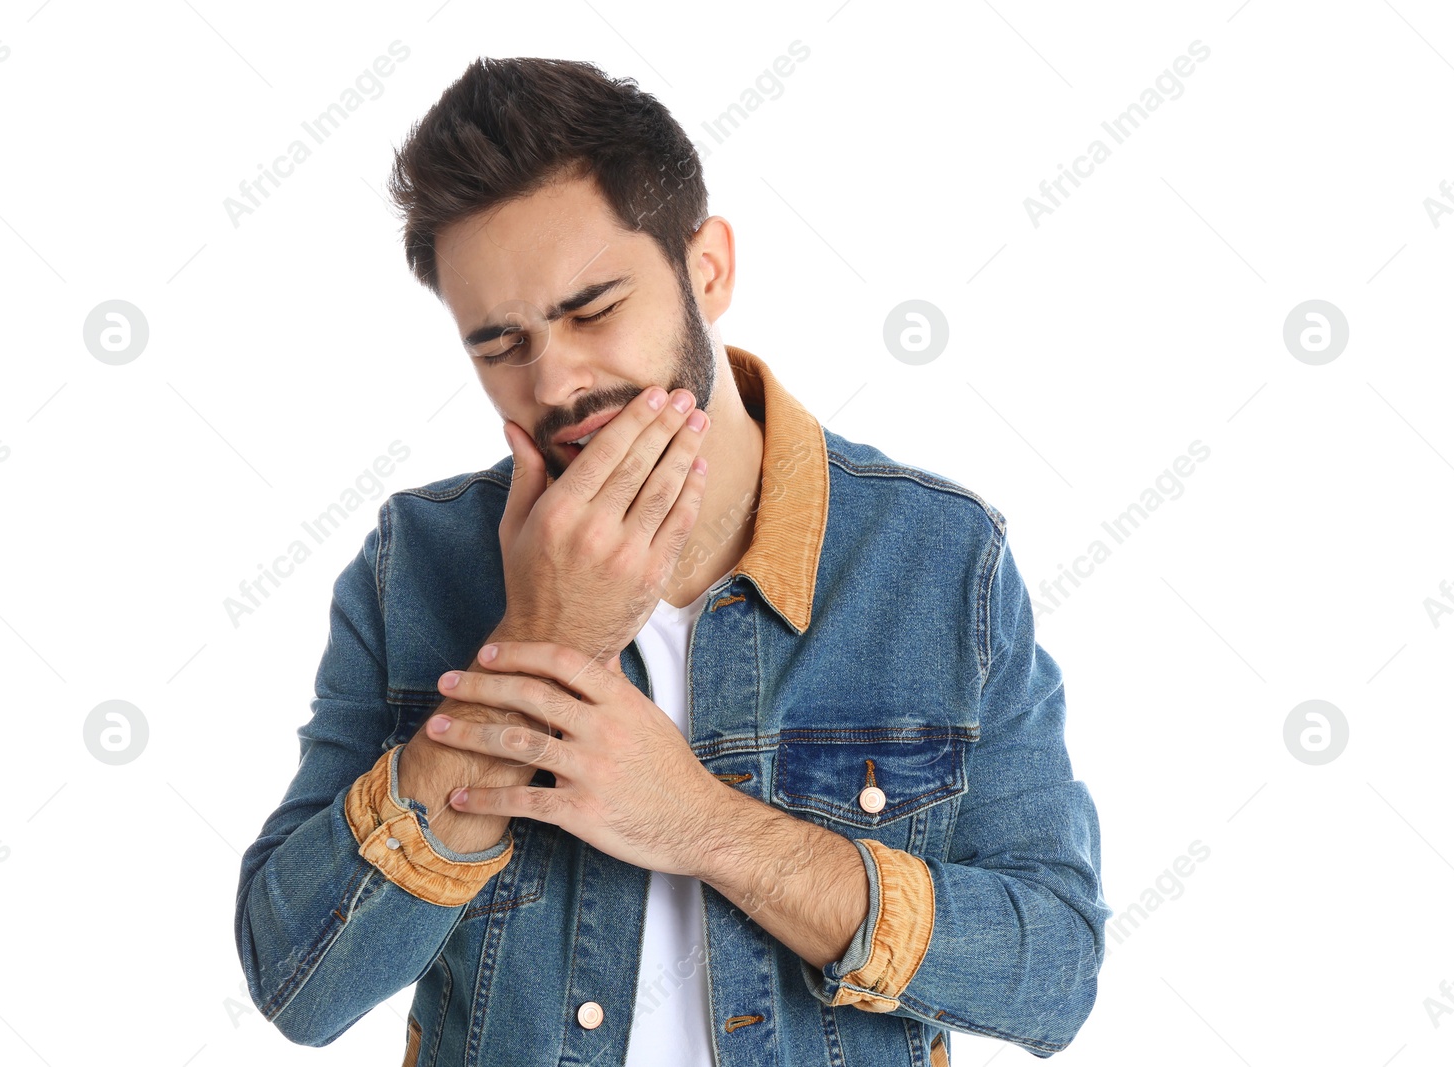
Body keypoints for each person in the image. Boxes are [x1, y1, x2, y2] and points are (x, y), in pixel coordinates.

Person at [234, 55, 1111, 1067]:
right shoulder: (417, 564)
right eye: (498, 343)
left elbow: (1053, 974)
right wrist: (541, 641)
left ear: (708, 269)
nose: (555, 380)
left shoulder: (936, 556)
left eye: (593, 309)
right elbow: (300, 984)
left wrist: (703, 826)